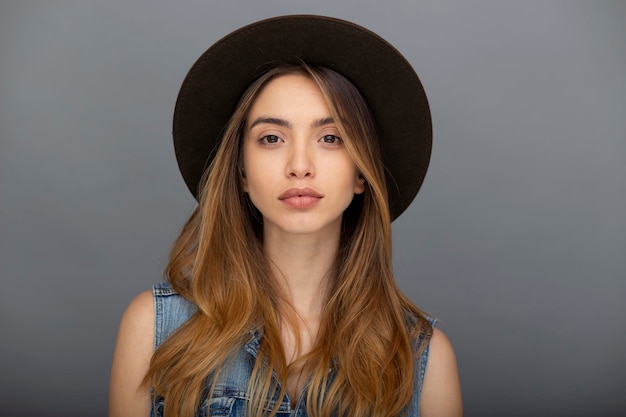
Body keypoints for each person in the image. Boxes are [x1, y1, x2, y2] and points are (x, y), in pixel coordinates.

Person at [109, 15, 462, 417]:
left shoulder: (424, 361)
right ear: (241, 172)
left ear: (362, 173)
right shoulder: (155, 330)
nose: (299, 165)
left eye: (331, 138)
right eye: (271, 138)